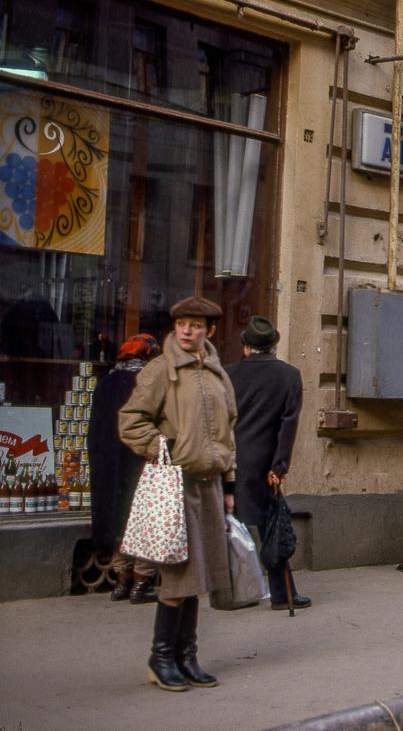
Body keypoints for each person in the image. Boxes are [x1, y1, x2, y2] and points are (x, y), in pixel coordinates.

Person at [119, 295, 236, 692]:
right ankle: (161, 657)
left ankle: (188, 657)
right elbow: (131, 422)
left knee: (199, 578)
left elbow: (228, 431)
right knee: (177, 576)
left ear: (210, 331)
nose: (188, 331)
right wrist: (162, 449)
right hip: (175, 487)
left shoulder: (218, 374)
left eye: (196, 325)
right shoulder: (159, 371)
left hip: (210, 487)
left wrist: (230, 484)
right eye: (182, 324)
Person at [225, 316, 310, 611]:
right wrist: (279, 466)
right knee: (271, 528)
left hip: (230, 461)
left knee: (225, 526)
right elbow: (288, 426)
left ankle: (228, 591)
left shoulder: (227, 374)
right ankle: (282, 594)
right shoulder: (289, 375)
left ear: (246, 347)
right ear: (273, 346)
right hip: (263, 465)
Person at [90, 334, 161, 604]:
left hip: (109, 463)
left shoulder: (106, 383)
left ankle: (121, 581)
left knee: (119, 520)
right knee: (144, 519)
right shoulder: (147, 383)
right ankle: (141, 583)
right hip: (140, 461)